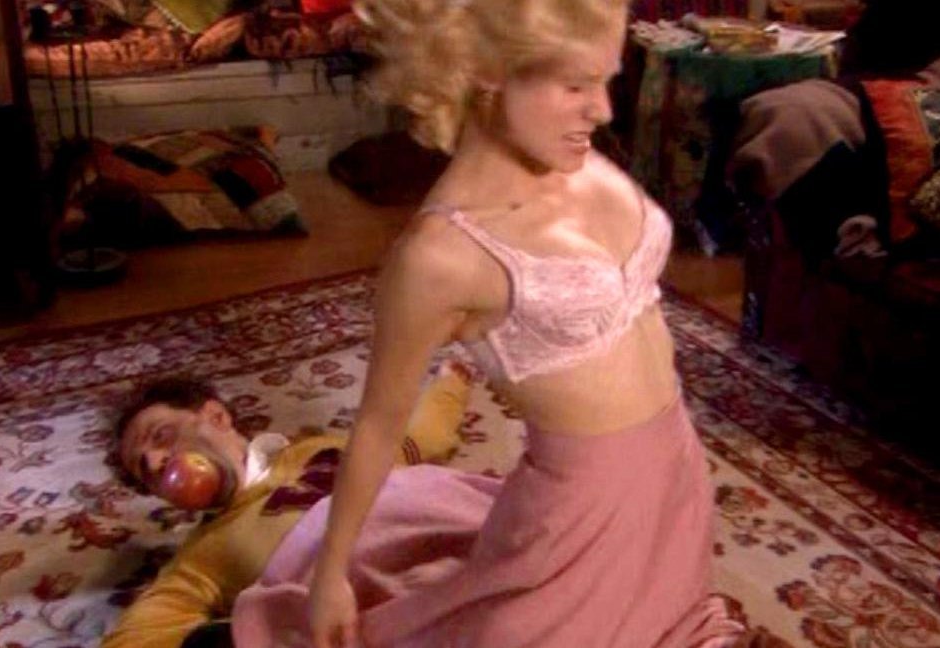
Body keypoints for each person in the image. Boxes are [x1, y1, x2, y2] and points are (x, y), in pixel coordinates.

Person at [231, 0, 748, 646]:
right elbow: (379, 423)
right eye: (576, 85)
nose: (602, 110)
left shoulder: (576, 157)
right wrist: (332, 573)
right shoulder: (439, 257)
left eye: (605, 80)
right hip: (579, 519)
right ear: (488, 69)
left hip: (676, 474)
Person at [102, 366, 473, 648]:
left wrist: (452, 380)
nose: (156, 462)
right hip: (378, 607)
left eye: (161, 436)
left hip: (451, 534)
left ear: (216, 416)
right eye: (144, 470)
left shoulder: (324, 446)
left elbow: (418, 438)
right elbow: (136, 635)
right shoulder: (202, 554)